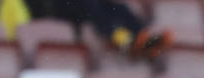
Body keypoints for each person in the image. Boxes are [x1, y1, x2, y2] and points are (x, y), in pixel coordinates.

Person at [29, 0, 172, 59]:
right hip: (55, 7)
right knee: (93, 5)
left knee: (118, 8)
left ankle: (143, 37)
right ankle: (125, 41)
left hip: (81, 7)